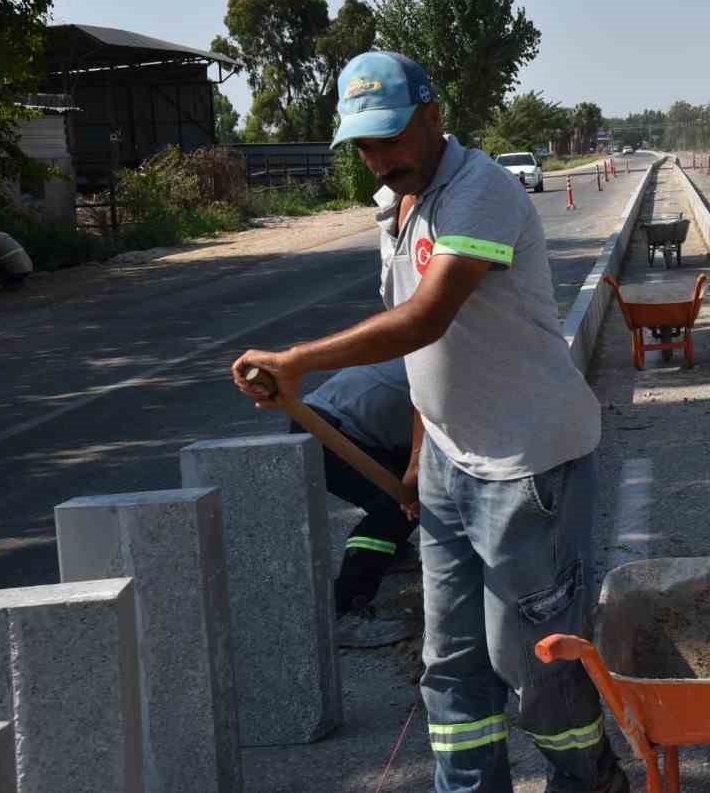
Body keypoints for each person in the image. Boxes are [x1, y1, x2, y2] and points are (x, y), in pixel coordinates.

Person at [232, 51, 627, 793]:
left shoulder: (482, 192)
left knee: (538, 664)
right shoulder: (397, 210)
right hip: (450, 464)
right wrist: (419, 458)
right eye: (366, 145)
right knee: (450, 667)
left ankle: (590, 781)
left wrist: (299, 360)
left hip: (527, 465)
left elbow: (427, 315)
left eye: (392, 138)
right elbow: (429, 357)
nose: (380, 159)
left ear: (435, 117)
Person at [291, 359, 418, 649]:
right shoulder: (454, 367)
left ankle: (391, 556)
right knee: (396, 505)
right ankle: (343, 610)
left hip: (339, 424)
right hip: (327, 430)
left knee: (414, 490)